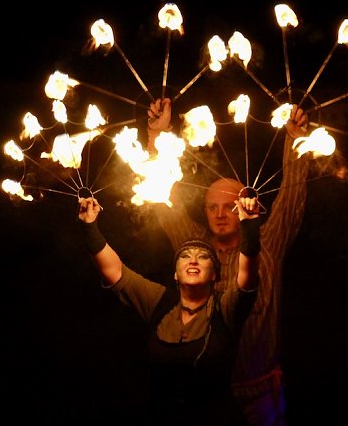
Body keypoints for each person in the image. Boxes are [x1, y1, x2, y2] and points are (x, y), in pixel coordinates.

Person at [146, 97, 311, 426]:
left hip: (261, 395)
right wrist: (157, 137)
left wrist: (295, 138)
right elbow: (163, 197)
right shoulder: (193, 248)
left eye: (229, 207)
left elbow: (292, 197)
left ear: (244, 207)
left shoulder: (267, 244)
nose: (221, 215)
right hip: (206, 398)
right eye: (213, 208)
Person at [78, 193, 263, 426]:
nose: (193, 260)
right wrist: (89, 226)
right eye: (185, 256)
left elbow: (247, 275)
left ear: (214, 275)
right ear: (176, 274)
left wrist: (249, 226)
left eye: (203, 257)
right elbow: (114, 271)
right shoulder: (159, 301)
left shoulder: (225, 307)